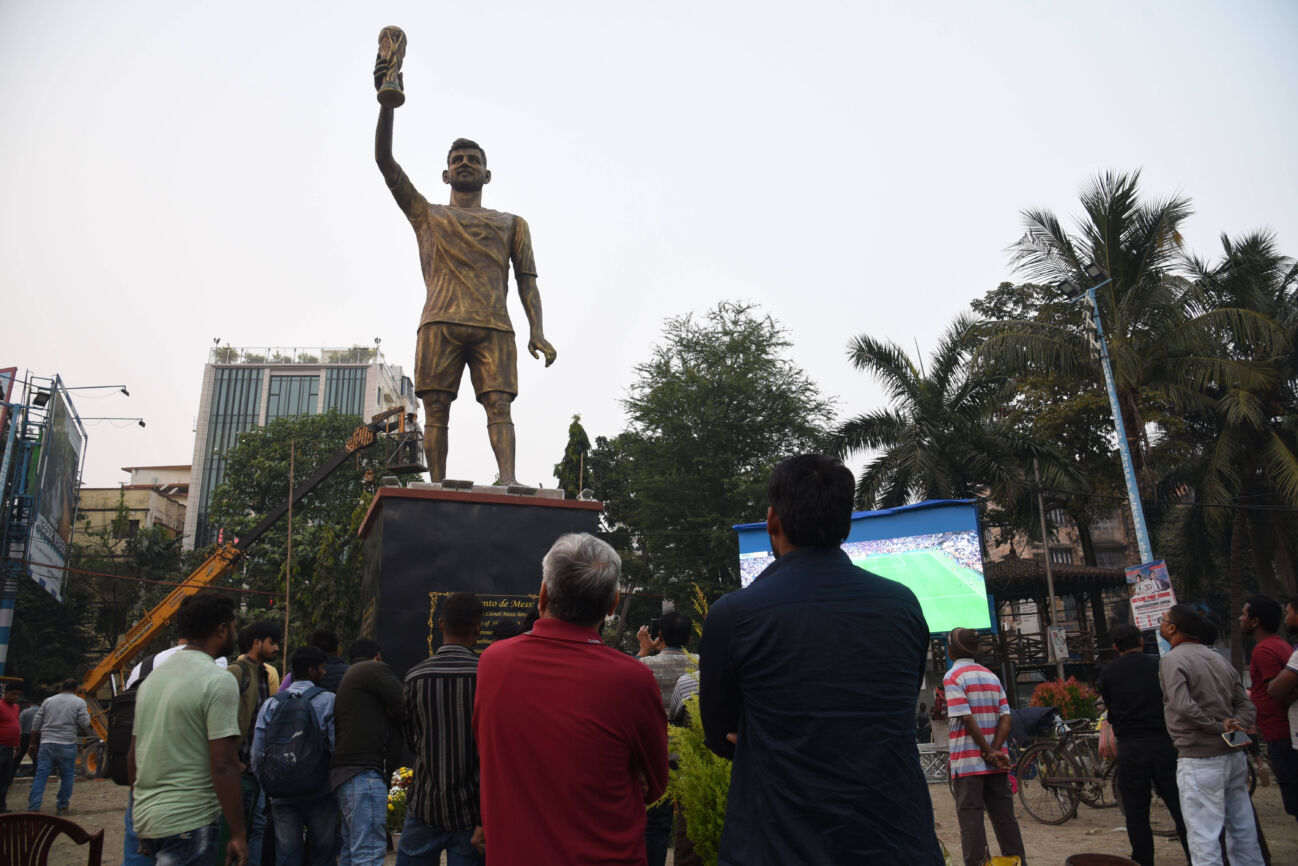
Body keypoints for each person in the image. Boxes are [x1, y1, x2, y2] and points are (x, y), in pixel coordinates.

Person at [699, 453, 942, 865]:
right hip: (898, 843)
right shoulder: (903, 605)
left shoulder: (733, 615)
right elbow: (897, 705)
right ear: (846, 525)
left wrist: (767, 738)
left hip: (776, 847)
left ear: (771, 521)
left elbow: (720, 739)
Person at [373, 56, 557, 486]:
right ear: (445, 172)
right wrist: (387, 103)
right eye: (458, 158)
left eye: (473, 159)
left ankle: (508, 478)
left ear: (487, 173)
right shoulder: (427, 215)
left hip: (494, 325)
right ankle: (437, 482)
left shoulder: (512, 223)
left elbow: (527, 281)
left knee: (500, 405)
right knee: (436, 408)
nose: (465, 163)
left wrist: (538, 330)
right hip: (440, 322)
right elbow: (386, 162)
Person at [475, 533, 668, 866]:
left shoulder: (494, 663)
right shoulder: (631, 679)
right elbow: (654, 783)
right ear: (612, 605)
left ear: (544, 594)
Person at [129, 592, 248, 866]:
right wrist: (239, 834)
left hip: (149, 818)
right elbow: (223, 764)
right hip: (190, 820)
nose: (234, 633)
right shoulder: (218, 680)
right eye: (233, 626)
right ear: (221, 629)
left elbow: (133, 756)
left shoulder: (151, 680)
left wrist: (141, 819)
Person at [1158, 604, 1263, 866]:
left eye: (1164, 619)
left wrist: (1219, 726)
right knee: (1242, 829)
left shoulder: (1173, 660)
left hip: (1199, 758)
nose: (1160, 623)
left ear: (1173, 628)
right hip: (1233, 757)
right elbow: (1247, 705)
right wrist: (1236, 724)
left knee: (1204, 837)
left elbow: (1183, 705)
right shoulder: (1217, 658)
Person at [398, 592, 485, 866]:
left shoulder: (415, 677)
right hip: (471, 813)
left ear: (440, 624)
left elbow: (412, 740)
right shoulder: (485, 675)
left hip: (425, 806)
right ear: (478, 627)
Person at [1098, 622, 1189, 866]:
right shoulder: (1159, 664)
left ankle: (1143, 860)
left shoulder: (1108, 672)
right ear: (1141, 642)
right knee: (1179, 805)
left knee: (1137, 812)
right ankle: (1196, 856)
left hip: (1130, 747)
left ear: (1115, 647)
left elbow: (1110, 707)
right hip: (1164, 742)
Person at [944, 627, 1026, 866]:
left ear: (951, 649)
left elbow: (966, 718)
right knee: (1006, 821)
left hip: (968, 765)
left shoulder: (953, 677)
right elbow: (1006, 716)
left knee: (972, 825)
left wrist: (987, 750)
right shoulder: (991, 676)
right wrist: (995, 749)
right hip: (997, 764)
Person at [252, 645, 338, 866]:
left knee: (287, 856)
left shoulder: (272, 704)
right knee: (323, 855)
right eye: (322, 668)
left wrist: (270, 785)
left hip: (281, 795)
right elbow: (335, 748)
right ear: (311, 670)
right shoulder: (328, 700)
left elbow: (257, 754)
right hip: (319, 792)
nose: (324, 673)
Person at [332, 638, 403, 866]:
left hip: (346, 777)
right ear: (379, 656)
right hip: (364, 774)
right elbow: (407, 702)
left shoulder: (351, 677)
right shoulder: (372, 669)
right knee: (369, 855)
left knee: (352, 853)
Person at [636, 611, 696, 866]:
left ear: (660, 635)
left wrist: (643, 650)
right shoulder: (701, 664)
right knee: (690, 824)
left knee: (656, 828)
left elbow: (627, 673)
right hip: (691, 755)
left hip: (657, 756)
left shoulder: (646, 666)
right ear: (689, 637)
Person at [229, 620, 283, 865]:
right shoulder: (236, 672)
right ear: (257, 642)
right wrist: (231, 760)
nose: (277, 648)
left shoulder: (265, 673)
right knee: (234, 831)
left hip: (257, 767)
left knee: (258, 827)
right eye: (272, 642)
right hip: (237, 769)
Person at [1240, 595, 1297, 823]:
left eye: (1244, 614)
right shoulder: (1282, 646)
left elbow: (1277, 690)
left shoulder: (1263, 651)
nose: (1240, 619)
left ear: (1255, 622)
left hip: (1281, 733)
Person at [27, 677, 91, 815]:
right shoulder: (79, 702)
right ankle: (62, 806)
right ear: (75, 690)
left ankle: (34, 806)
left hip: (46, 743)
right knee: (67, 776)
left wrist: (32, 743)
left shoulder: (48, 701)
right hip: (67, 743)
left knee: (41, 775)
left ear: (62, 687)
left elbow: (36, 723)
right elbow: (85, 723)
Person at [278, 629, 349, 694]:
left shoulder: (295, 675)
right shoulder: (349, 673)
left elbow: (280, 697)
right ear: (338, 651)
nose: (324, 672)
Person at [0, 683, 21, 812]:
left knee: (5, 778)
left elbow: (16, 726)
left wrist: (17, 745)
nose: (16, 697)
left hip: (9, 748)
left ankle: (1, 805)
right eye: (13, 694)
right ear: (5, 693)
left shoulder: (16, 707)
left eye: (18, 694)